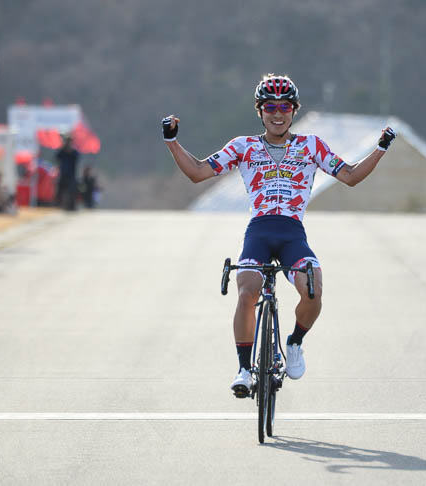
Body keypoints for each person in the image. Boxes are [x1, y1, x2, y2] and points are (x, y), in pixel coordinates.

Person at [161, 73, 396, 397]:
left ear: (294, 110)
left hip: (291, 234)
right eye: (269, 106)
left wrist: (381, 148)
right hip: (258, 231)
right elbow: (198, 172)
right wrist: (172, 141)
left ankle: (295, 342)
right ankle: (244, 368)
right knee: (247, 290)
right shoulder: (243, 146)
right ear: (260, 111)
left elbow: (351, 176)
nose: (277, 113)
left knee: (313, 288)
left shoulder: (311, 146)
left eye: (284, 106)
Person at [54, 133, 80, 210]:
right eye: (67, 141)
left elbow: (76, 158)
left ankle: (73, 205)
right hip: (63, 174)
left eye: (70, 141)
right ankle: (58, 204)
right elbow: (57, 157)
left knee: (73, 190)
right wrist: (63, 148)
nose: (68, 143)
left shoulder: (74, 152)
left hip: (71, 175)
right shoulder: (62, 151)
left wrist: (69, 151)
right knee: (59, 189)